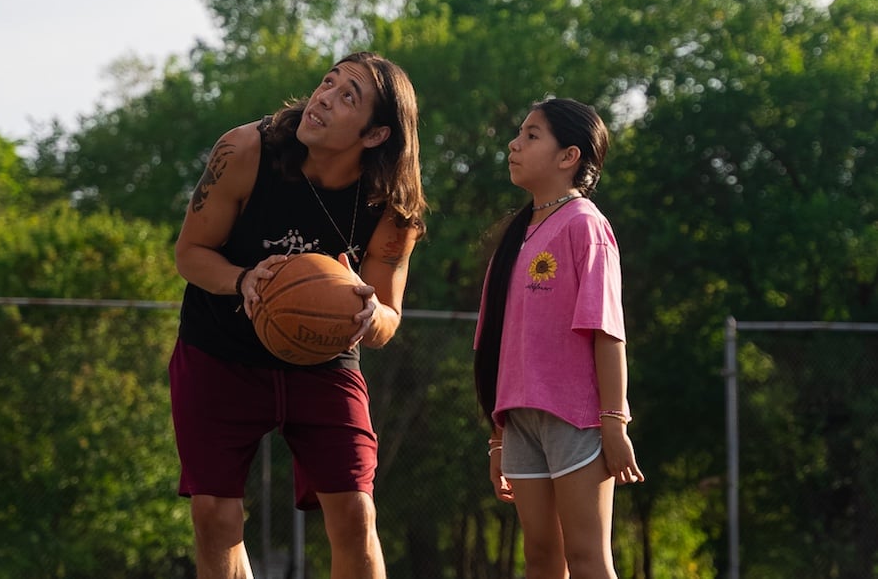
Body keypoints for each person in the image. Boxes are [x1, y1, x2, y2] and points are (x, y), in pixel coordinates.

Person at [170, 51, 427, 579]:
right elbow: (189, 253)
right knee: (215, 513)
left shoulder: (394, 208)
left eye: (347, 97)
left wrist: (368, 313)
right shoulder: (245, 150)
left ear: (377, 135)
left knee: (356, 512)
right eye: (327, 83)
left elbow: (388, 318)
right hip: (222, 348)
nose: (323, 99)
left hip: (322, 357)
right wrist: (243, 280)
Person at [472, 98, 644, 579]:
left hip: (577, 418)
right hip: (518, 421)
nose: (514, 144)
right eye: (519, 133)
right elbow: (494, 349)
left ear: (569, 156)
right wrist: (497, 437)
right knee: (542, 559)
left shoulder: (585, 226)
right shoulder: (515, 236)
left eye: (531, 135)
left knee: (587, 559)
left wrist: (615, 421)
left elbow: (607, 331)